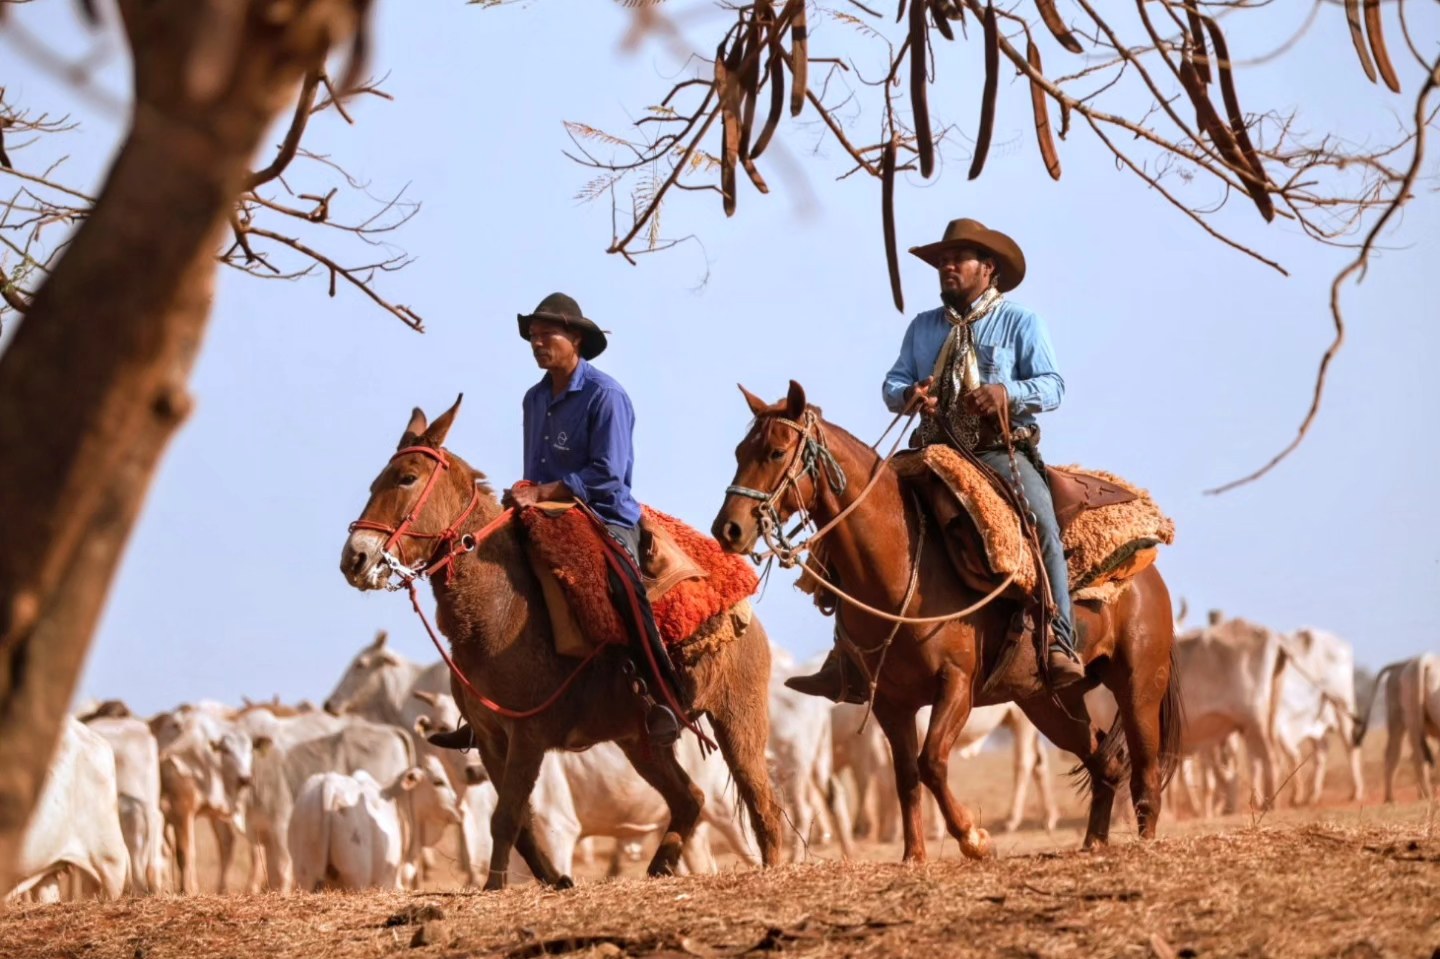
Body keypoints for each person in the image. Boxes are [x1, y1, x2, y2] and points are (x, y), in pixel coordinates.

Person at [787, 218, 1085, 703]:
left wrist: (1005, 392)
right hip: (932, 450)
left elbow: (1054, 385)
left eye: (957, 258)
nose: (947, 266)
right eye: (943, 260)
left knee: (1041, 524)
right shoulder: (924, 327)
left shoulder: (1021, 323)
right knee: (854, 519)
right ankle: (845, 656)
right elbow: (892, 382)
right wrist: (909, 394)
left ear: (987, 269)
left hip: (996, 452)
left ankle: (1059, 639)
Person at [430, 292, 680, 749]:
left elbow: (608, 474)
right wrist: (525, 496)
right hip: (546, 514)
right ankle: (479, 705)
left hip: (604, 514)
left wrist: (542, 492)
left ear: (577, 340)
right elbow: (536, 470)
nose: (537, 343)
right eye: (533, 336)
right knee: (481, 576)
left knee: (623, 587)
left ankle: (664, 694)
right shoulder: (534, 398)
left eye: (548, 335)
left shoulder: (606, 396)